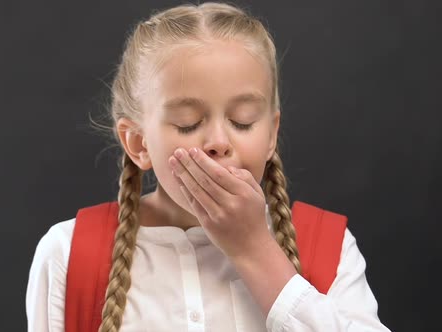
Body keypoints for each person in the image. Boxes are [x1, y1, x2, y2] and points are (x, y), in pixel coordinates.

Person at [26, 2, 390, 331]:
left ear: (271, 135)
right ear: (138, 143)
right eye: (187, 123)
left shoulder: (329, 246)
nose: (219, 141)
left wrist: (254, 251)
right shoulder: (68, 253)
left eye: (243, 121)